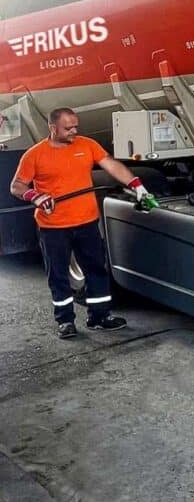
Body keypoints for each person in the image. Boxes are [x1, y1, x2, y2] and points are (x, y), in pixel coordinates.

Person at [10, 107, 156, 340]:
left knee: (97, 270)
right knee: (58, 275)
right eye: (68, 128)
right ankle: (65, 321)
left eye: (76, 126)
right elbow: (16, 186)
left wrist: (137, 185)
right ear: (52, 128)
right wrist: (35, 196)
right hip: (53, 227)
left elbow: (111, 164)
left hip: (87, 223)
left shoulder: (86, 145)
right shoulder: (34, 155)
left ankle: (100, 317)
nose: (74, 131)